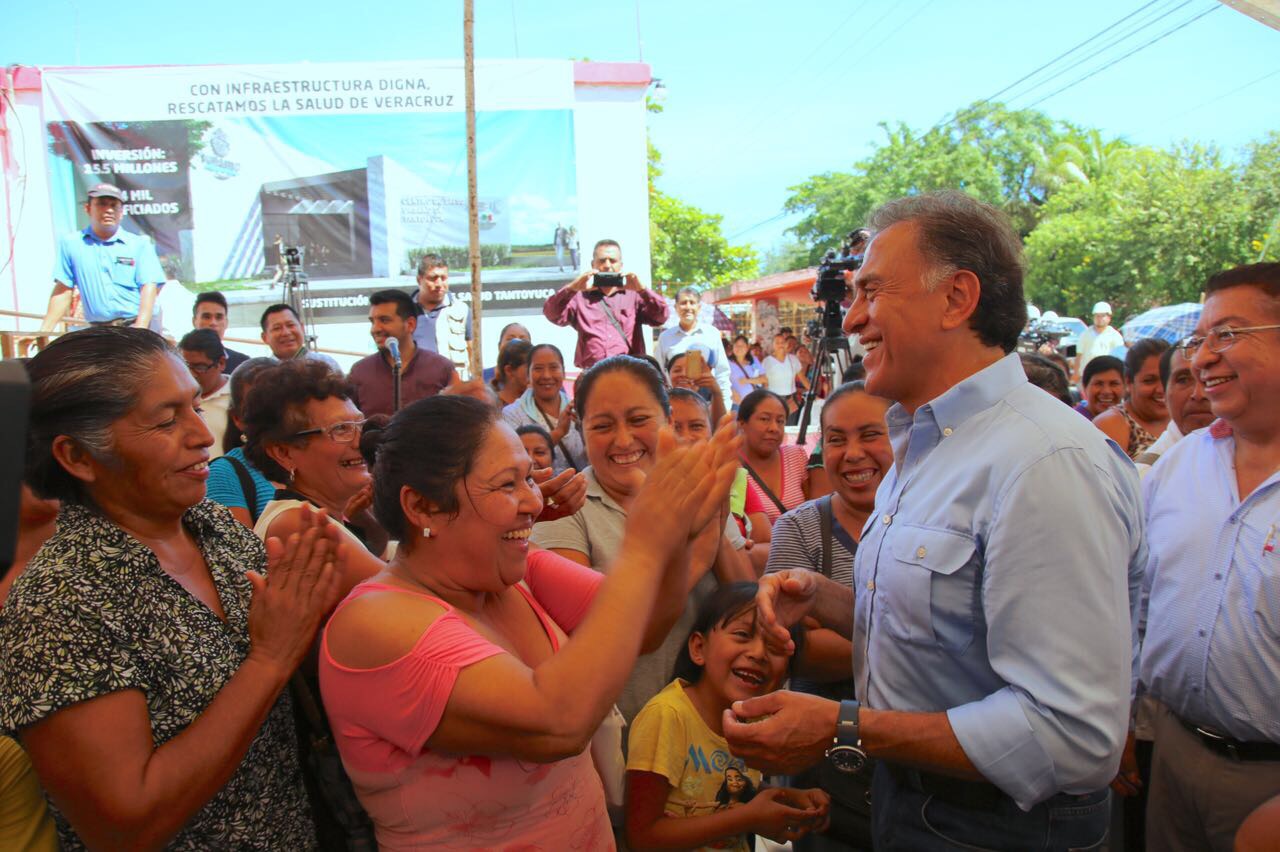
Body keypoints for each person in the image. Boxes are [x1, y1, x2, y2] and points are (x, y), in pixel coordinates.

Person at [725, 190, 1144, 851]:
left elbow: (1072, 737)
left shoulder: (1045, 464)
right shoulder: (926, 445)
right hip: (913, 803)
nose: (853, 318)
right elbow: (950, 628)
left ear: (956, 298)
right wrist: (828, 600)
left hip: (1001, 827)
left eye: (872, 291)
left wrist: (845, 727)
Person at [317, 394, 741, 849]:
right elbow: (558, 724)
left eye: (528, 479)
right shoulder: (375, 623)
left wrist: (678, 536)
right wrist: (644, 548)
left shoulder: (517, 573)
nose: (533, 503)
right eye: (506, 485)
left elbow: (648, 623)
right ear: (423, 507)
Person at [0, 326, 343, 849]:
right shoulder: (59, 603)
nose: (202, 434)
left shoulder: (213, 528)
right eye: (165, 420)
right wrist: (270, 660)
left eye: (194, 406)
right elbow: (125, 824)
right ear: (77, 457)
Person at [1137, 262, 1280, 851]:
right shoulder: (1180, 463)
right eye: (1199, 340)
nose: (1201, 359)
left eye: (1228, 334)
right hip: (1172, 753)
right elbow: (1139, 596)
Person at [531, 356, 752, 724]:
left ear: (667, 421)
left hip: (712, 729)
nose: (623, 440)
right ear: (581, 431)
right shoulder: (566, 508)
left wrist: (714, 523)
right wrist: (693, 555)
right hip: (621, 731)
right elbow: (601, 634)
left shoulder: (697, 486)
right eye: (602, 425)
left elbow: (746, 601)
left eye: (638, 420)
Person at [764, 382, 891, 851]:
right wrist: (916, 642)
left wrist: (828, 621)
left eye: (870, 435)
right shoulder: (798, 527)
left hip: (920, 759)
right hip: (822, 761)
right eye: (836, 439)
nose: (853, 454)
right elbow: (797, 651)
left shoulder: (928, 524)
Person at [625, 583, 829, 851]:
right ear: (699, 648)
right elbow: (642, 836)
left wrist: (784, 798)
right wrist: (749, 818)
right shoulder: (667, 716)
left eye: (775, 646)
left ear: (787, 676)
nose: (758, 654)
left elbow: (723, 789)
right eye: (743, 635)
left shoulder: (755, 724)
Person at [243, 360, 389, 569]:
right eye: (341, 429)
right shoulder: (297, 523)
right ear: (284, 453)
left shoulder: (318, 514)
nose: (360, 441)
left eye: (360, 425)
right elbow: (404, 592)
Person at [38, 183, 164, 333]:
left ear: (121, 212)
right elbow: (64, 289)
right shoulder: (72, 244)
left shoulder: (139, 245)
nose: (108, 210)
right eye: (102, 204)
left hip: (133, 326)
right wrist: (44, 331)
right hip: (98, 330)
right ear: (88, 208)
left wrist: (141, 328)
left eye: (114, 205)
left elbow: (149, 287)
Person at [543, 239, 669, 369]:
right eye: (602, 261)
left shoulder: (635, 295)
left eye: (613, 261)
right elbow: (552, 314)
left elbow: (661, 317)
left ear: (621, 265)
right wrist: (572, 288)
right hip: (591, 374)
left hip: (629, 373)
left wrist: (643, 290)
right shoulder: (579, 297)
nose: (607, 265)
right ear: (593, 264)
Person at [347, 289, 457, 418]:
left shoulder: (440, 368)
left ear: (410, 324)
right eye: (372, 321)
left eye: (384, 320)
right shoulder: (360, 372)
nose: (375, 329)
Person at [206, 357, 279, 528]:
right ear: (238, 418)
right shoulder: (224, 474)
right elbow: (242, 553)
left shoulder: (313, 459)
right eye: (260, 406)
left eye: (285, 400)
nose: (276, 412)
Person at [500, 343, 585, 474]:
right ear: (528, 375)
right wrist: (559, 432)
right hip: (538, 492)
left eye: (553, 368)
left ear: (563, 372)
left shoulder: (578, 409)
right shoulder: (512, 414)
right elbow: (514, 459)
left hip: (581, 490)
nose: (546, 375)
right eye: (538, 369)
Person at [1133, 344, 1213, 475]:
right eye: (1183, 380)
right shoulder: (1147, 475)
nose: (1198, 394)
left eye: (1209, 378)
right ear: (1164, 393)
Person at [738, 389, 809, 524]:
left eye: (780, 421)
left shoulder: (796, 456)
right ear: (742, 424)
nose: (774, 428)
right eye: (764, 419)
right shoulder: (731, 467)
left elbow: (814, 513)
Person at [1092, 337, 1170, 459]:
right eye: (1149, 381)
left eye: (1166, 378)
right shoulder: (1111, 424)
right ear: (1128, 381)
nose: (1161, 389)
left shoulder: (1183, 419)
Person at [656, 287, 733, 409]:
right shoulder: (665, 337)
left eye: (692, 303)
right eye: (683, 303)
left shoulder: (711, 334)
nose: (688, 307)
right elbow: (658, 374)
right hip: (676, 403)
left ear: (699, 307)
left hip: (707, 403)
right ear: (675, 307)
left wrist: (725, 405)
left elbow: (722, 373)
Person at [410, 253, 472, 379]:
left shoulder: (462, 310)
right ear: (419, 280)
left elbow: (472, 352)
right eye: (433, 278)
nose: (439, 284)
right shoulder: (404, 312)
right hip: (417, 388)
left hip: (453, 389)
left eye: (443, 278)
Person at [179, 328, 232, 458]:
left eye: (199, 367)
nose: (191, 374)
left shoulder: (240, 399)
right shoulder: (176, 398)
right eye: (185, 366)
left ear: (221, 363)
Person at [259, 304, 342, 374]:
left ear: (302, 328)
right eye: (277, 328)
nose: (286, 333)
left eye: (290, 325)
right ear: (264, 337)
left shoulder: (327, 364)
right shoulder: (261, 372)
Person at [193, 290, 250, 372]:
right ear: (194, 321)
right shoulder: (178, 361)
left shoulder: (243, 364)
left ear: (226, 323)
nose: (213, 323)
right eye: (206, 317)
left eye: (219, 317)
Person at [668, 350, 727, 427]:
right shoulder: (661, 405)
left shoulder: (708, 407)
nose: (683, 374)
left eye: (689, 370)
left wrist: (716, 391)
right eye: (677, 370)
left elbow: (720, 428)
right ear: (668, 374)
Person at [1073, 300, 1126, 384]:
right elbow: (1079, 355)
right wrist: (1076, 374)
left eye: (1102, 316)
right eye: (1097, 316)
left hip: (1107, 377)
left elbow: (1119, 358)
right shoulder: (1085, 334)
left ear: (1109, 317)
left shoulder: (1115, 336)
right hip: (1087, 376)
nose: (1099, 319)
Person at [762, 333, 809, 420]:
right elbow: (765, 383)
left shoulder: (793, 359)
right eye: (777, 342)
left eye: (782, 342)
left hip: (790, 401)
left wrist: (812, 392)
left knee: (790, 429)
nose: (780, 345)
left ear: (785, 344)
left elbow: (803, 378)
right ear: (773, 345)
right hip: (773, 401)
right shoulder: (767, 362)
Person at [1073, 354, 1125, 421]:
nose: (1106, 391)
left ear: (1125, 387)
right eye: (1099, 384)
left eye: (1114, 384)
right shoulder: (1073, 421)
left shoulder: (1130, 422)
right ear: (1084, 387)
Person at [490, 338, 533, 408]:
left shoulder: (537, 404)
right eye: (529, 367)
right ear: (509, 370)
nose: (536, 373)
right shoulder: (491, 406)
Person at [727, 334, 767, 407]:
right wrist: (731, 391)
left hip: (752, 403)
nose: (739, 348)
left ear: (747, 347)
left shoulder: (753, 361)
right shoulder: (727, 362)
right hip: (734, 404)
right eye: (736, 345)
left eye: (742, 345)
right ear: (733, 347)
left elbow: (764, 379)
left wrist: (747, 380)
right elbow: (720, 381)